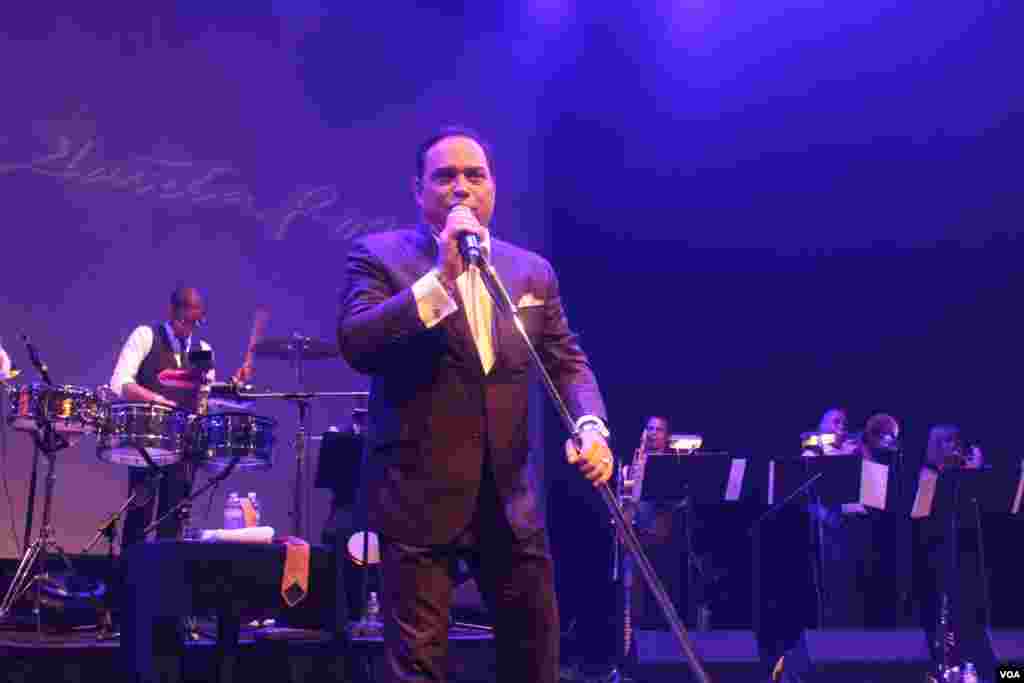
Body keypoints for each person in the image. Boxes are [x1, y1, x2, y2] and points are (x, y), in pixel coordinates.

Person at [338, 126, 613, 683]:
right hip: (418, 497)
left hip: (511, 499)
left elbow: (567, 361)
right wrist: (442, 278)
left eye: (475, 175)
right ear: (418, 191)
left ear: (493, 189)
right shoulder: (378, 256)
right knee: (419, 670)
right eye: (445, 176)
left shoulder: (531, 271)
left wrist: (591, 426)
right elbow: (357, 341)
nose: (460, 187)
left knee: (535, 662)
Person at [109, 286, 249, 546]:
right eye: (185, 320)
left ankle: (165, 579)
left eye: (196, 322)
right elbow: (120, 383)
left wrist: (232, 388)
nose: (189, 328)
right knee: (139, 514)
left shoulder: (203, 348)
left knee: (173, 519)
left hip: (184, 442)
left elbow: (204, 398)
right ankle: (129, 576)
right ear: (171, 311)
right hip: (149, 440)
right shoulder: (146, 335)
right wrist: (158, 400)